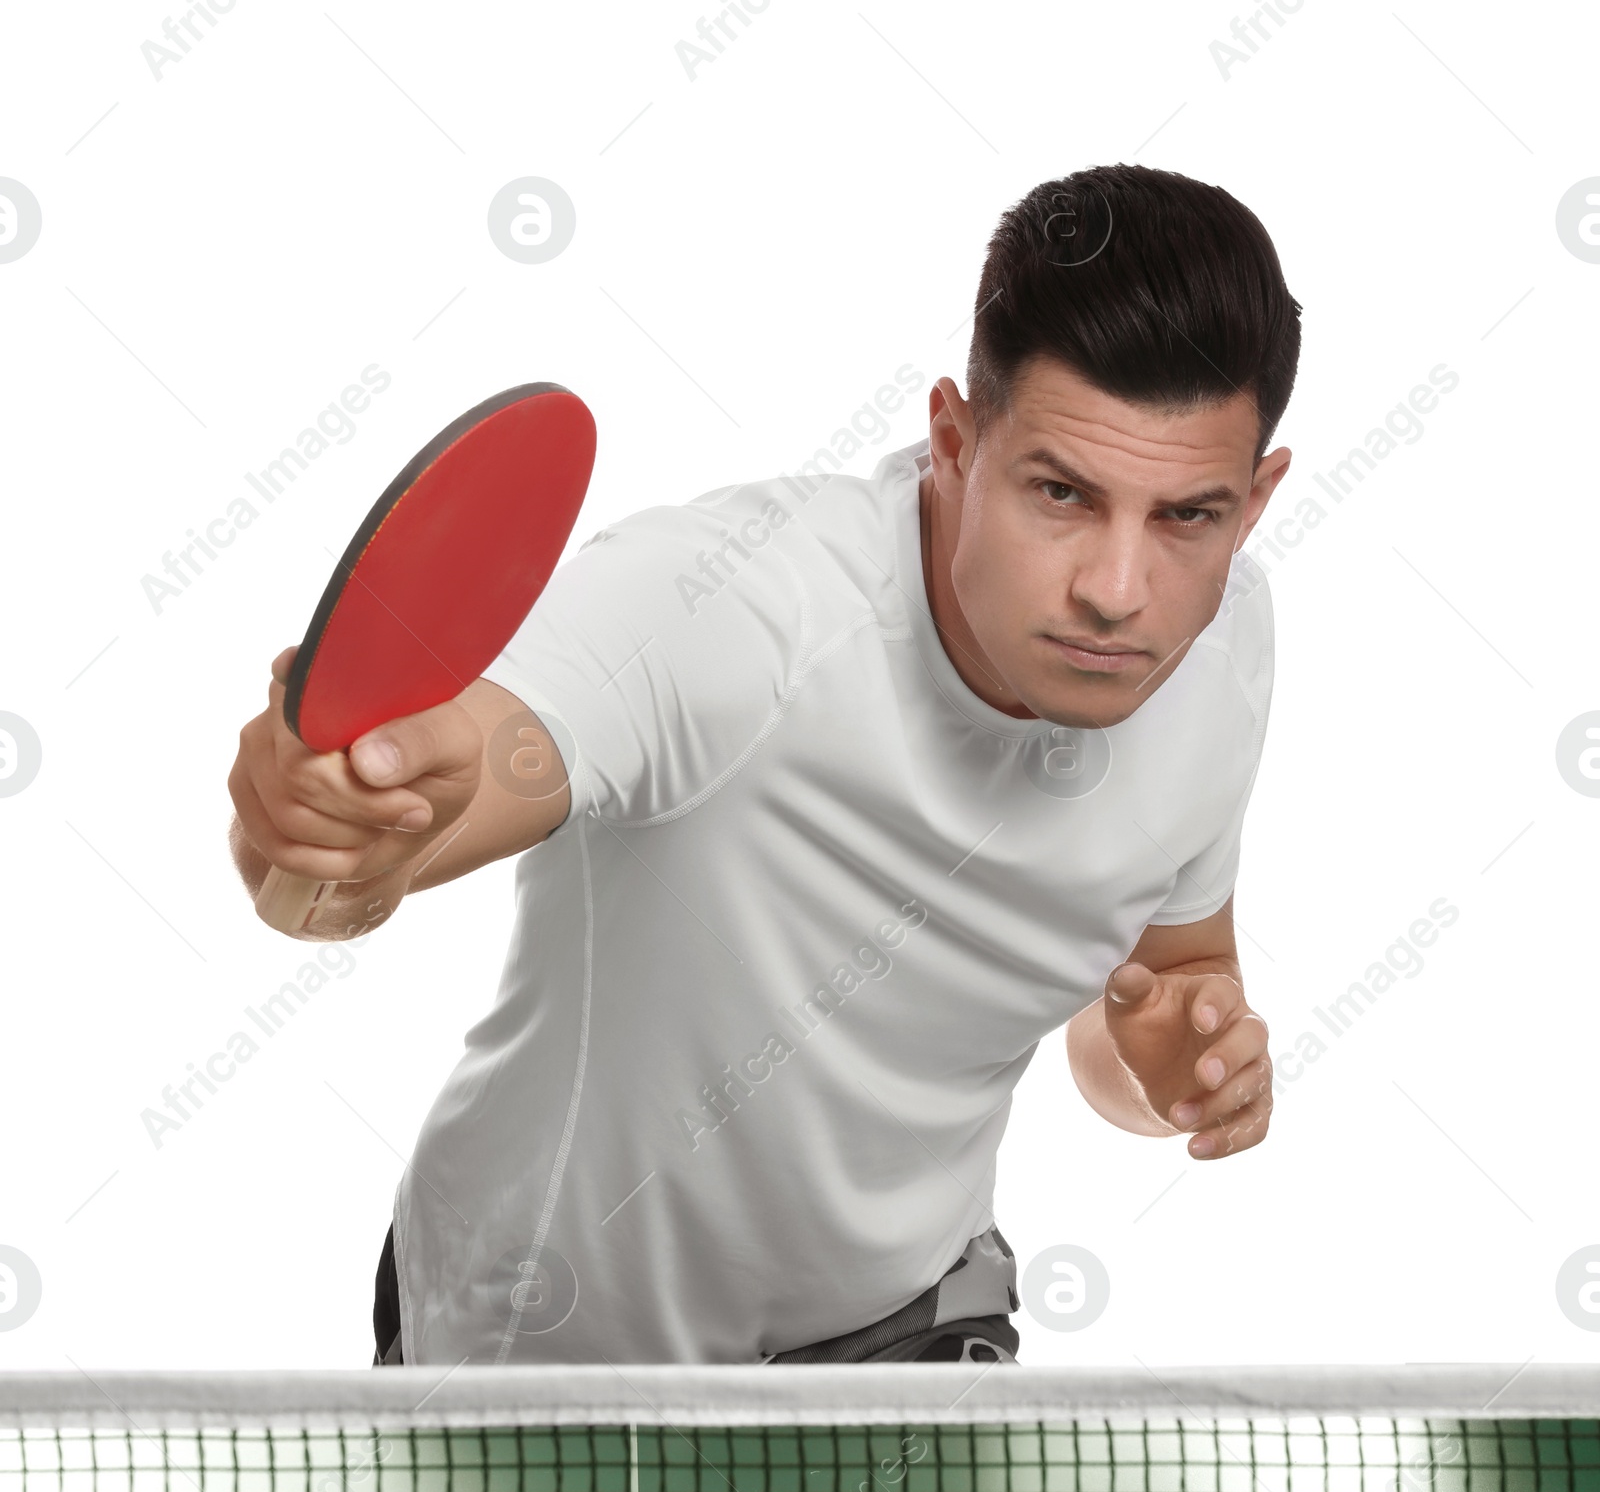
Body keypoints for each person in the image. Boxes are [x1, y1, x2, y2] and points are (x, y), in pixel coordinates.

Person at [228, 162, 1299, 1369]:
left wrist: (1166, 1075)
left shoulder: (1223, 656)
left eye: (1186, 517)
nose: (1117, 592)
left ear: (1255, 501)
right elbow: (457, 779)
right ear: (954, 439)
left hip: (903, 1329)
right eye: (1061, 491)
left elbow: (1169, 972)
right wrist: (332, 832)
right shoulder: (733, 608)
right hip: (541, 1336)